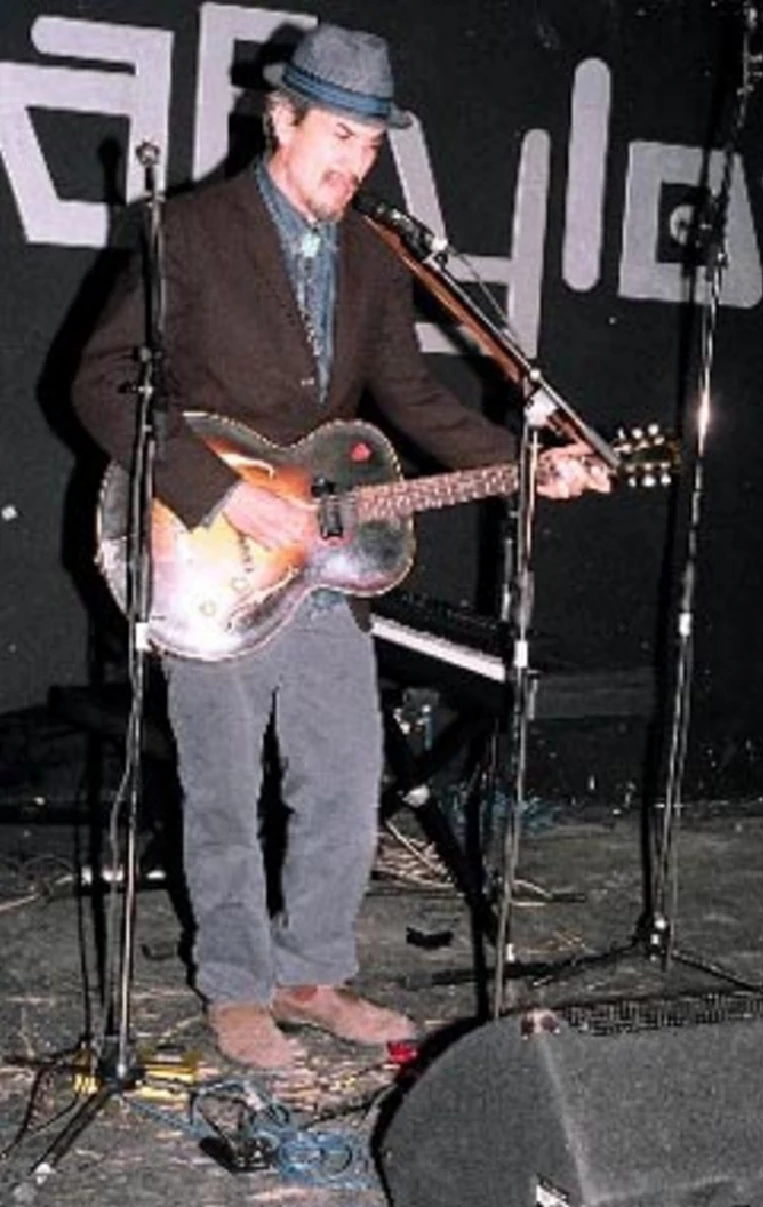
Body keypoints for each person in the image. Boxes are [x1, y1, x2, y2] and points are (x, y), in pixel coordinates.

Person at [72, 23, 609, 1072]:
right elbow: (100, 385)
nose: (353, 163)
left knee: (343, 774)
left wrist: (527, 459)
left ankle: (309, 972)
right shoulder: (189, 230)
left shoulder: (372, 254)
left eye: (370, 145)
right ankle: (233, 986)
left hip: (320, 568)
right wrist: (224, 489)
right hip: (206, 551)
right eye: (338, 137)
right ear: (283, 119)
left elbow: (410, 399)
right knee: (222, 788)